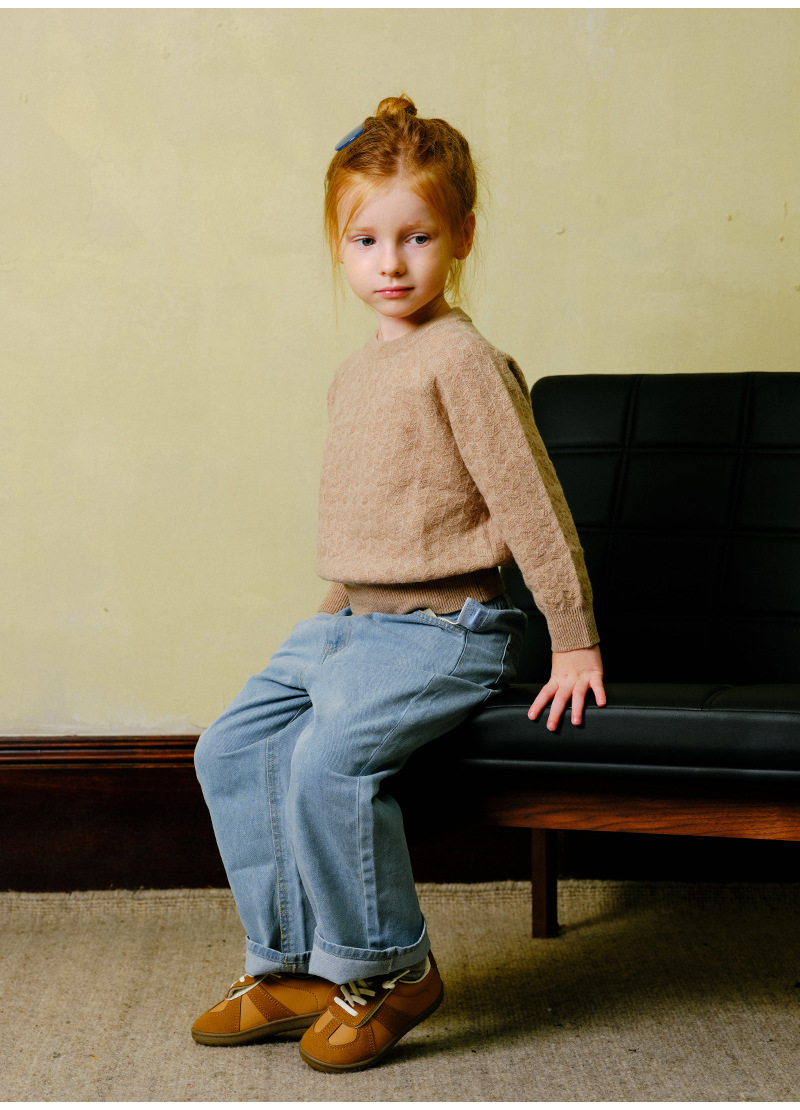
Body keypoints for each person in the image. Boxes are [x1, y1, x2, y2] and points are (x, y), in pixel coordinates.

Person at [191, 94, 605, 1073]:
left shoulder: (460, 359)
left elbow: (531, 504)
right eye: (366, 240)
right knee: (231, 746)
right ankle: (294, 965)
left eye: (416, 237)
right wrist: (326, 623)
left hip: (446, 630)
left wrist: (573, 635)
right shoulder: (355, 373)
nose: (390, 263)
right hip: (350, 623)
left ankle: (390, 968)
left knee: (327, 764)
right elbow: (371, 523)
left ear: (461, 237)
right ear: (338, 245)